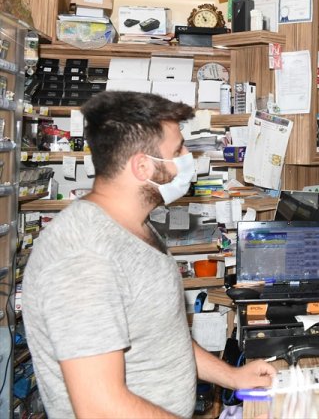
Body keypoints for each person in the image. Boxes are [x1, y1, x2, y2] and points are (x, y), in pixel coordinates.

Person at [23, 92, 276, 417]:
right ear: (143, 166)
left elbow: (162, 334)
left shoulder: (137, 228)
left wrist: (233, 377)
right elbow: (100, 408)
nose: (188, 157)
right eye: (177, 150)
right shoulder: (81, 255)